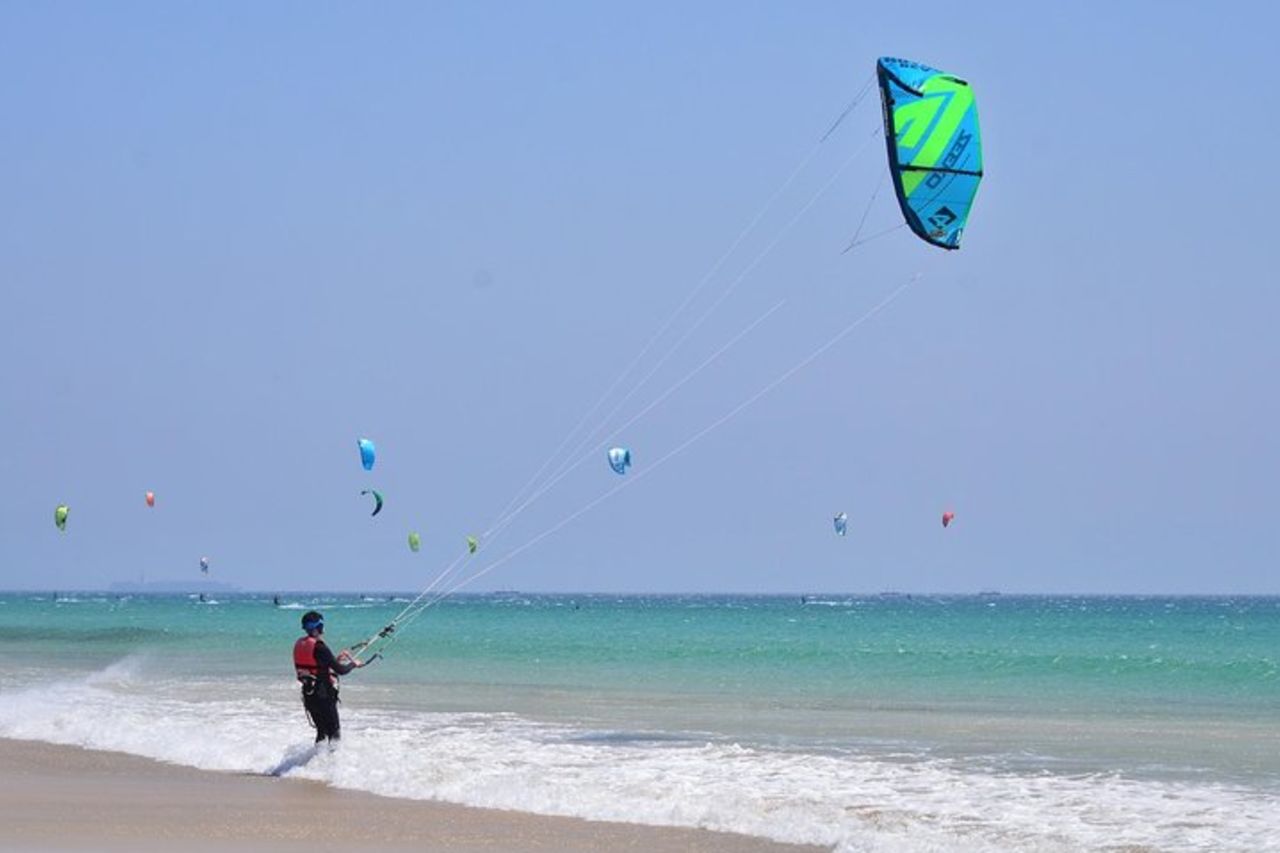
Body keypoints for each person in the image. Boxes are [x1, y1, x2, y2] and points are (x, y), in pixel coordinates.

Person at [293, 610, 365, 743]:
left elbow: (315, 666)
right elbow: (341, 670)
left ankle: (317, 761)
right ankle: (331, 762)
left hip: (309, 695)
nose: (323, 629)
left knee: (321, 732)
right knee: (334, 731)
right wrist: (353, 664)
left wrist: (336, 659)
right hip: (324, 695)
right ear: (318, 627)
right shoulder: (319, 647)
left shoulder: (300, 644)